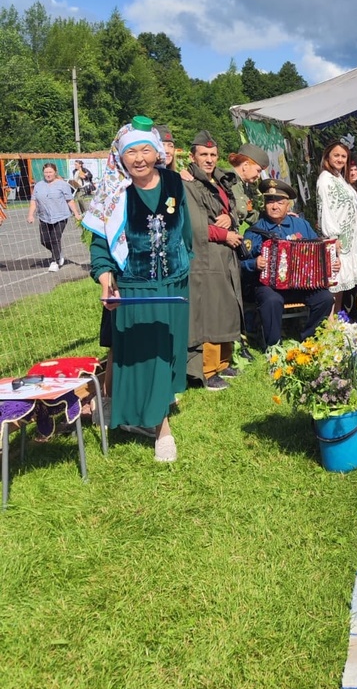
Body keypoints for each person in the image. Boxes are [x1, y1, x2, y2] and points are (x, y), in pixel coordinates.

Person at [83, 118, 192, 461]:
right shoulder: (113, 191)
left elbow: (185, 228)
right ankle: (162, 430)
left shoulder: (174, 181)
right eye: (132, 152)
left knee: (168, 352)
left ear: (157, 152)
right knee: (149, 356)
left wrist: (186, 261)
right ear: (121, 156)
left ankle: (138, 410)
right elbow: (100, 245)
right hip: (135, 286)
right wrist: (106, 280)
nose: (140, 158)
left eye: (146, 150)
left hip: (174, 283)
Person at [240, 178, 335, 346]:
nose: (274, 206)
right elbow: (239, 264)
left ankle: (309, 340)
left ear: (288, 205)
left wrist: (331, 264)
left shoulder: (301, 225)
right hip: (269, 286)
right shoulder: (255, 231)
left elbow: (320, 251)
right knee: (271, 301)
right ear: (265, 204)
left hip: (301, 285)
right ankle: (273, 345)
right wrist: (254, 263)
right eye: (270, 202)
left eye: (280, 202)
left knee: (325, 298)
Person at [183, 131, 244, 390]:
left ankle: (223, 361)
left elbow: (230, 210)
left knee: (226, 304)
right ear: (193, 156)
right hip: (206, 254)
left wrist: (230, 219)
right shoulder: (187, 183)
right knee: (210, 309)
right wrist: (224, 234)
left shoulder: (220, 181)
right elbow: (193, 223)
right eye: (204, 154)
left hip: (225, 252)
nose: (209, 159)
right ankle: (207, 369)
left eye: (213, 155)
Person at [316, 141, 357, 307]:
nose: (340, 159)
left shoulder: (338, 177)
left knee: (341, 287)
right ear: (327, 156)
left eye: (343, 156)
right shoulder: (325, 179)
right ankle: (330, 322)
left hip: (349, 240)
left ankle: (338, 320)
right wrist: (332, 238)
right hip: (337, 240)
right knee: (334, 285)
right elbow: (326, 210)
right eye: (336, 155)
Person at [27, 163, 82, 271]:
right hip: (44, 217)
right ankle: (58, 252)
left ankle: (55, 261)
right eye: (46, 172)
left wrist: (76, 213)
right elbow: (34, 201)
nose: (48, 174)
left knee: (55, 238)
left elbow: (69, 200)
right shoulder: (39, 185)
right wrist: (30, 215)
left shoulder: (62, 185)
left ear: (55, 172)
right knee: (44, 240)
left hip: (60, 216)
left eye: (50, 172)